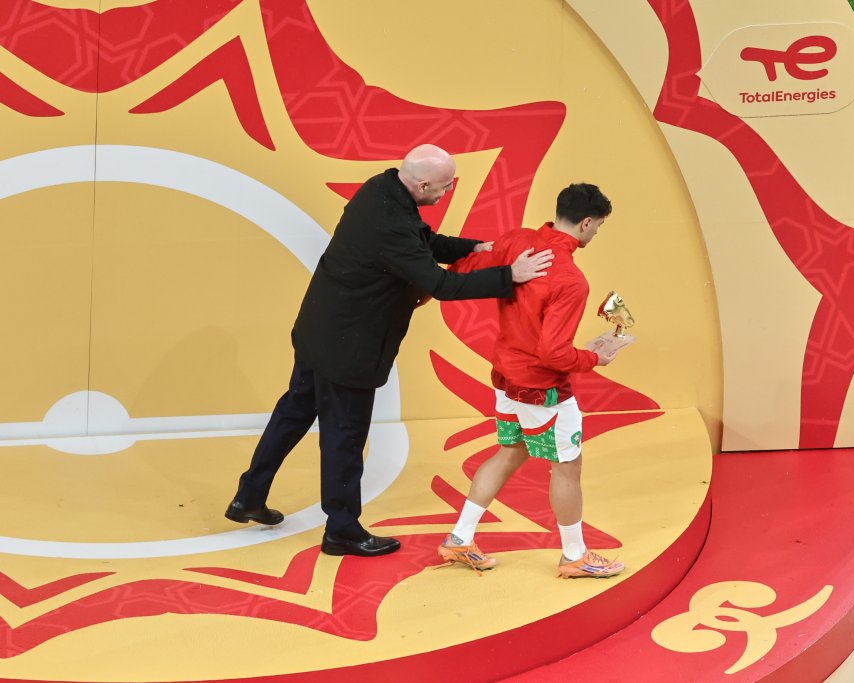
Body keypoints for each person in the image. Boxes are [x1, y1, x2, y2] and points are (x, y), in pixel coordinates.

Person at [225, 144, 554, 558]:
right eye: (446, 186)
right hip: (348, 348)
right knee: (344, 439)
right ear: (423, 185)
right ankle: (341, 530)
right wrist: (509, 275)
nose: (448, 191)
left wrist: (473, 249)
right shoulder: (392, 223)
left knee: (293, 412)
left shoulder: (381, 188)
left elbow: (421, 241)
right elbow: (441, 285)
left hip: (318, 330)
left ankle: (249, 496)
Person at [437, 183, 625, 579]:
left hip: (505, 376)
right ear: (586, 223)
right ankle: (575, 556)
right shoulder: (571, 280)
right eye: (598, 226)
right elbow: (554, 354)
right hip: (543, 388)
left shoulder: (516, 240)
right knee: (567, 467)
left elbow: (464, 269)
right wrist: (595, 357)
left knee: (510, 452)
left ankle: (459, 538)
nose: (595, 233)